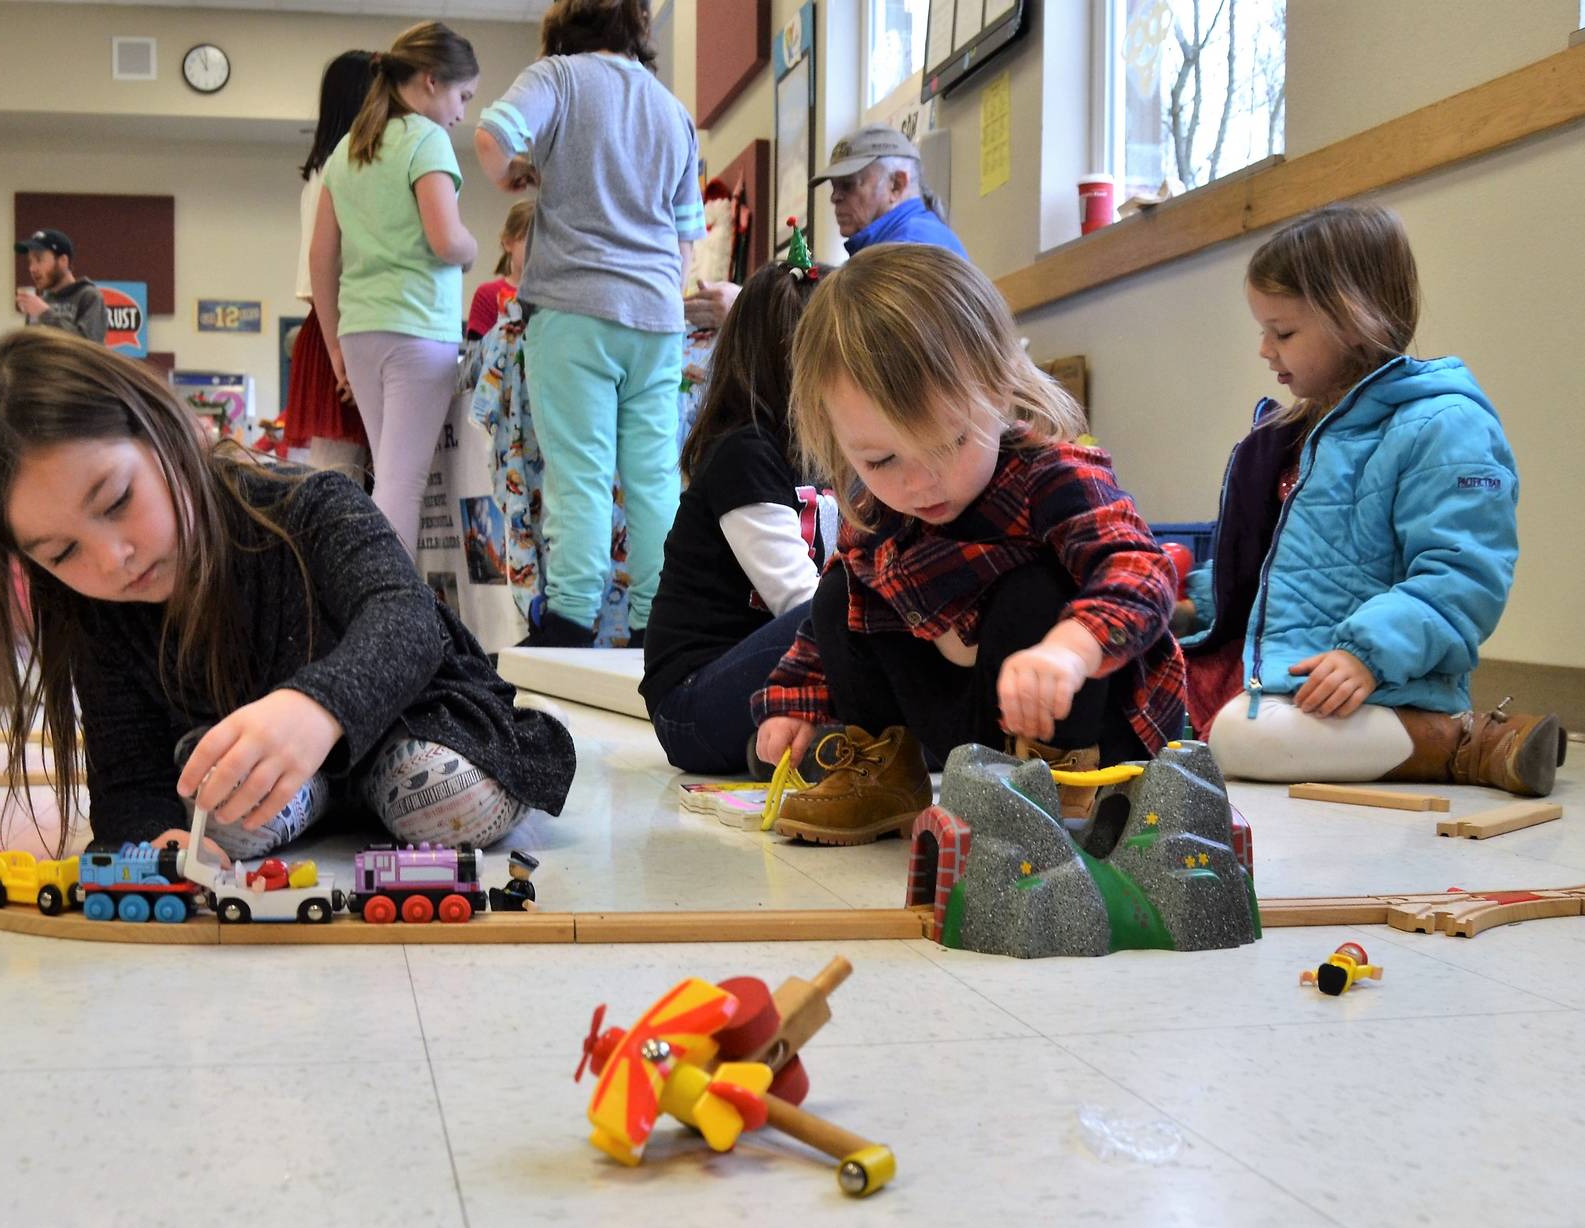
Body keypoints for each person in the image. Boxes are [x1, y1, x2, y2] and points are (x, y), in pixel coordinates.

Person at [0, 330, 574, 865]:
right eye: (62, 553)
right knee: (212, 802)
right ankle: (318, 792)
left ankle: (336, 779)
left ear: (168, 432)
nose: (111, 559)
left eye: (118, 501)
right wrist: (159, 840)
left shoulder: (308, 503)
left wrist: (313, 709)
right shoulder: (90, 609)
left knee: (443, 796)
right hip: (287, 763)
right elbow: (127, 771)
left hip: (416, 719)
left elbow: (406, 620)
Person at [753, 245, 1185, 845]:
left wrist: (1071, 649)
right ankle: (885, 768)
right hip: (977, 724)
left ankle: (1055, 781)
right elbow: (819, 636)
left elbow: (1143, 571)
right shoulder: (878, 509)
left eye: (950, 443)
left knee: (1035, 589)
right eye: (880, 459)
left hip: (1091, 725)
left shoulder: (1052, 474)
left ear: (1002, 390)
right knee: (838, 591)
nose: (918, 482)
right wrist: (795, 702)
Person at [1182, 204, 1564, 796]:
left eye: (1282, 332)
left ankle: (1469, 742)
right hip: (1277, 667)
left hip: (1380, 681)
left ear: (1353, 322)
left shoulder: (1445, 426)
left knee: (1237, 738)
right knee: (1134, 696)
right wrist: (1188, 600)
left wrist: (1366, 653)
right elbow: (1270, 568)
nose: (1265, 349)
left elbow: (1463, 575)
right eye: (1263, 331)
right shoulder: (1293, 432)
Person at [474, 0, 705, 647]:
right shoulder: (671, 110)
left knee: (581, 472)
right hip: (657, 318)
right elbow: (687, 241)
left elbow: (493, 136)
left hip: (575, 310)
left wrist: (514, 174)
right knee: (654, 474)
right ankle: (657, 626)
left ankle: (573, 620)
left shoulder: (560, 78)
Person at [640, 237, 835, 774]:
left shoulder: (824, 449)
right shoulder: (744, 450)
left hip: (769, 683)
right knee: (843, 616)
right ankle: (790, 740)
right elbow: (801, 601)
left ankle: (788, 744)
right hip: (692, 705)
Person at [309, 23, 481, 554]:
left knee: (388, 475)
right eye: (463, 95)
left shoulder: (348, 150)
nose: (461, 111)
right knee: (401, 485)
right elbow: (445, 239)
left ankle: (381, 604)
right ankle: (393, 611)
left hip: (361, 331)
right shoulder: (427, 140)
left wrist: (334, 341)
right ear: (431, 81)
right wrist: (473, 249)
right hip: (418, 329)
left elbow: (320, 255)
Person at [685, 125, 964, 331]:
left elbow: (850, 338)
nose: (834, 197)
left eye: (849, 184)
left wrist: (744, 311)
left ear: (897, 184)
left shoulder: (911, 248)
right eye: (833, 187)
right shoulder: (905, 240)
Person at [284, 52, 375, 482]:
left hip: (337, 329)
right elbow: (316, 277)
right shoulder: (336, 171)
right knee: (340, 475)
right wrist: (342, 351)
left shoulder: (331, 168)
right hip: (335, 331)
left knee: (350, 472)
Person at [13, 229, 107, 344]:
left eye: (39, 260)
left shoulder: (89, 296)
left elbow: (90, 347)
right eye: (30, 262)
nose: (32, 268)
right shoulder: (42, 301)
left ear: (63, 261)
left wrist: (45, 314)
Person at [466, 200, 534, 340]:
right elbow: (476, 352)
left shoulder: (555, 298)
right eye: (530, 240)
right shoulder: (488, 294)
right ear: (508, 243)